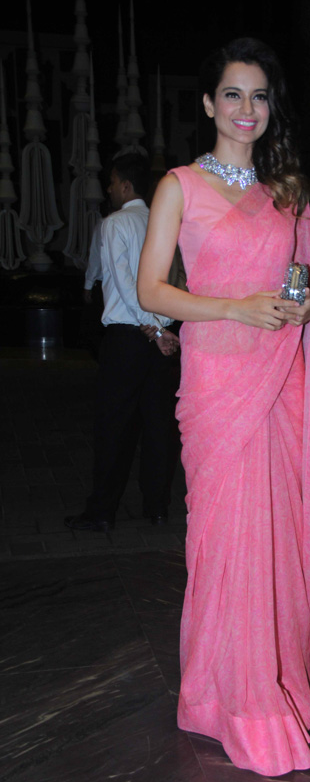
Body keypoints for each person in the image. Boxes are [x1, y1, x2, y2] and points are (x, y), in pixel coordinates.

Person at [137, 38, 310, 777]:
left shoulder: (288, 193)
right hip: (217, 386)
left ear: (270, 108)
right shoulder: (179, 186)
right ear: (208, 103)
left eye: (259, 96)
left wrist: (302, 309)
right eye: (233, 94)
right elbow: (152, 290)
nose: (247, 109)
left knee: (271, 541)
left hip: (276, 385)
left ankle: (256, 682)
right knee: (221, 543)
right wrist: (234, 307)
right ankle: (223, 696)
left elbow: (305, 293)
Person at [65, 154, 179, 532]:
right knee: (157, 425)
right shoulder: (164, 223)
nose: (110, 188)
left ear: (126, 186)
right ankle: (157, 506)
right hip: (161, 339)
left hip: (130, 339)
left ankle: (102, 512)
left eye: (113, 182)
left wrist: (153, 329)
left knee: (114, 426)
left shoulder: (115, 223)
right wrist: (162, 329)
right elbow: (173, 281)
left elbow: (127, 283)